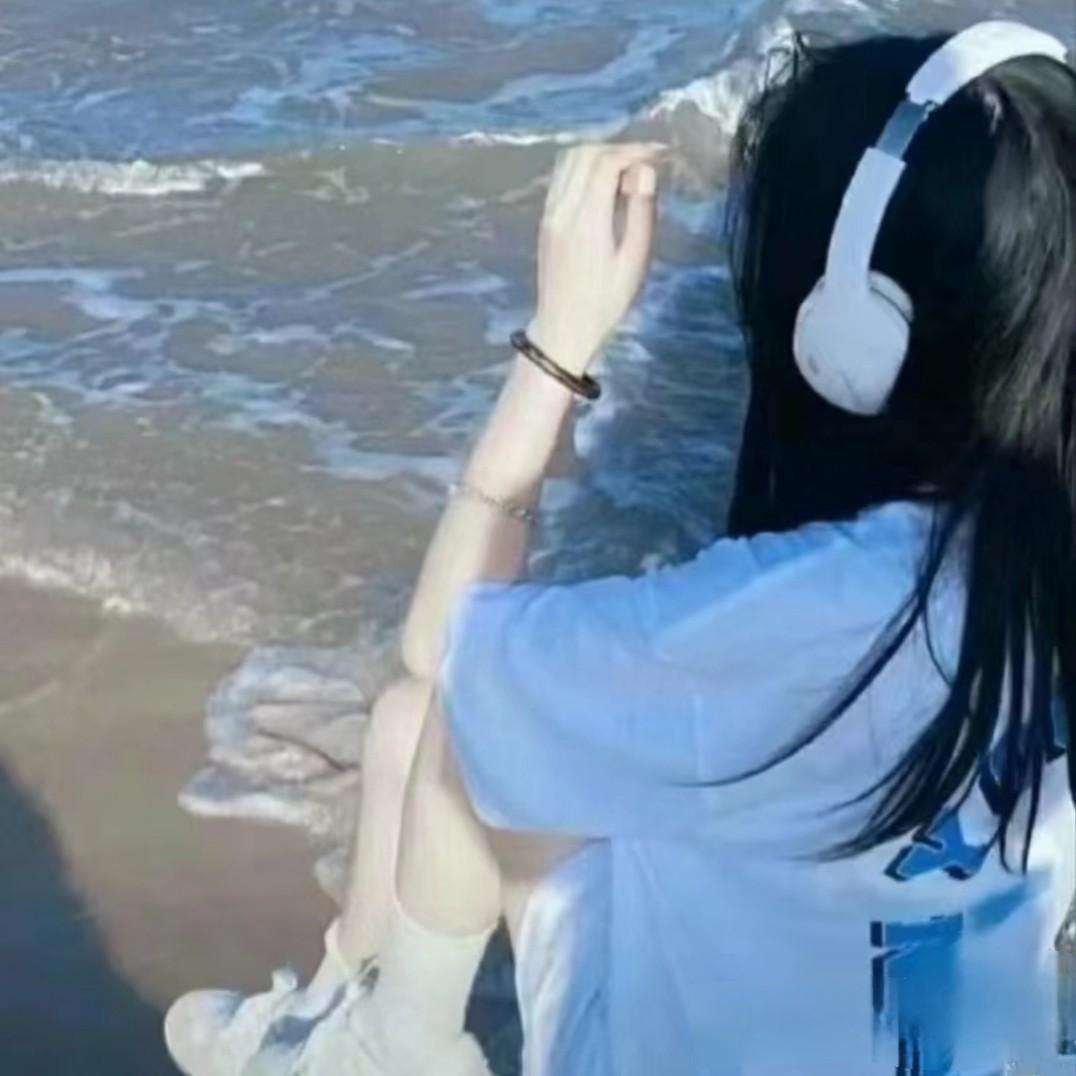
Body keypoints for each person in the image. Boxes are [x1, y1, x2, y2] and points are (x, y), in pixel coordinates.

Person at [164, 20, 1076, 1076]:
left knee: (449, 715)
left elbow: (449, 652)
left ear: (849, 335)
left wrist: (559, 345)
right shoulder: (1031, 560)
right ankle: (344, 1007)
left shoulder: (800, 611)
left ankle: (387, 1044)